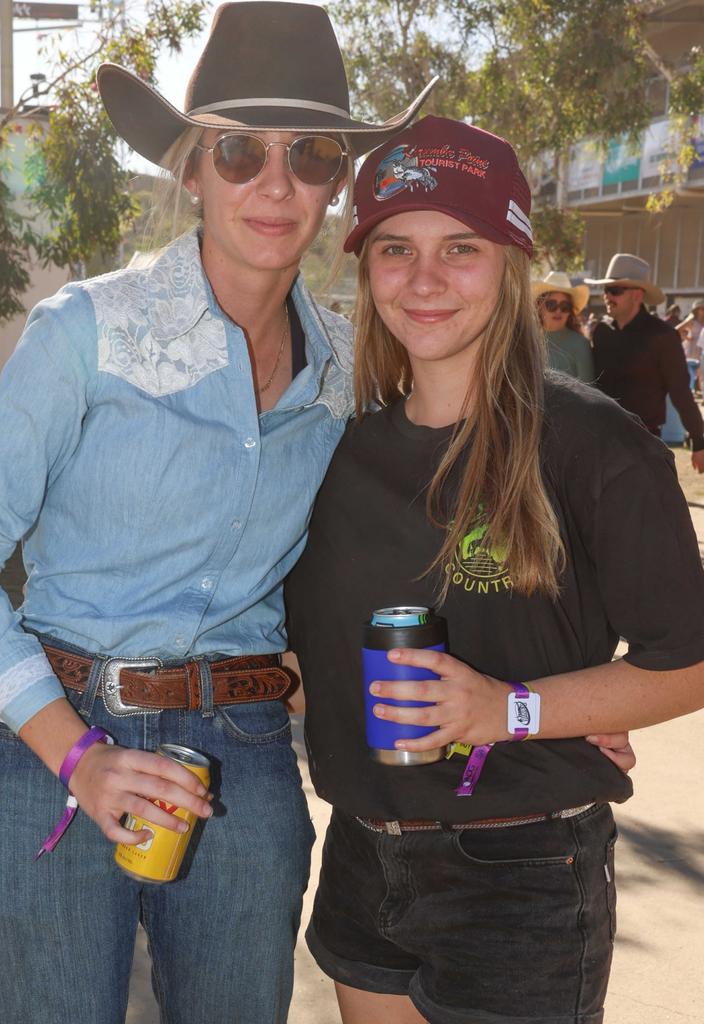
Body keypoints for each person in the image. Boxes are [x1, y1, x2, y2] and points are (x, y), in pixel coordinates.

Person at [0, 5, 436, 1022]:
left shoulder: (351, 367)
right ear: (192, 169)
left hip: (246, 763)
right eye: (241, 151)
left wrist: (547, 702)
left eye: (310, 154)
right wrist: (75, 752)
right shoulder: (86, 334)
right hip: (60, 750)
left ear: (337, 180)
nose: (275, 183)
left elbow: (429, 529)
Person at [285, 115, 704, 1024]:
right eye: (395, 247)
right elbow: (303, 661)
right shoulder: (337, 451)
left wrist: (516, 711)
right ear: (366, 270)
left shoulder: (592, 444)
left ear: (512, 264)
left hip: (522, 881)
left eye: (460, 248)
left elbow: (687, 661)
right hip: (360, 857)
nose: (424, 280)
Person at [588, 254, 704, 470]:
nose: (607, 297)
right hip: (603, 441)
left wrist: (698, 441)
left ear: (637, 295)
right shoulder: (601, 332)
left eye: (615, 291)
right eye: (606, 290)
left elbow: (680, 391)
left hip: (644, 443)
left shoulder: (662, 336)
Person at [532, 270, 594, 381]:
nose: (558, 311)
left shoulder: (580, 344)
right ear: (539, 306)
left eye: (565, 306)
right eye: (551, 305)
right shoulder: (527, 341)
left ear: (570, 311)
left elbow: (589, 392)